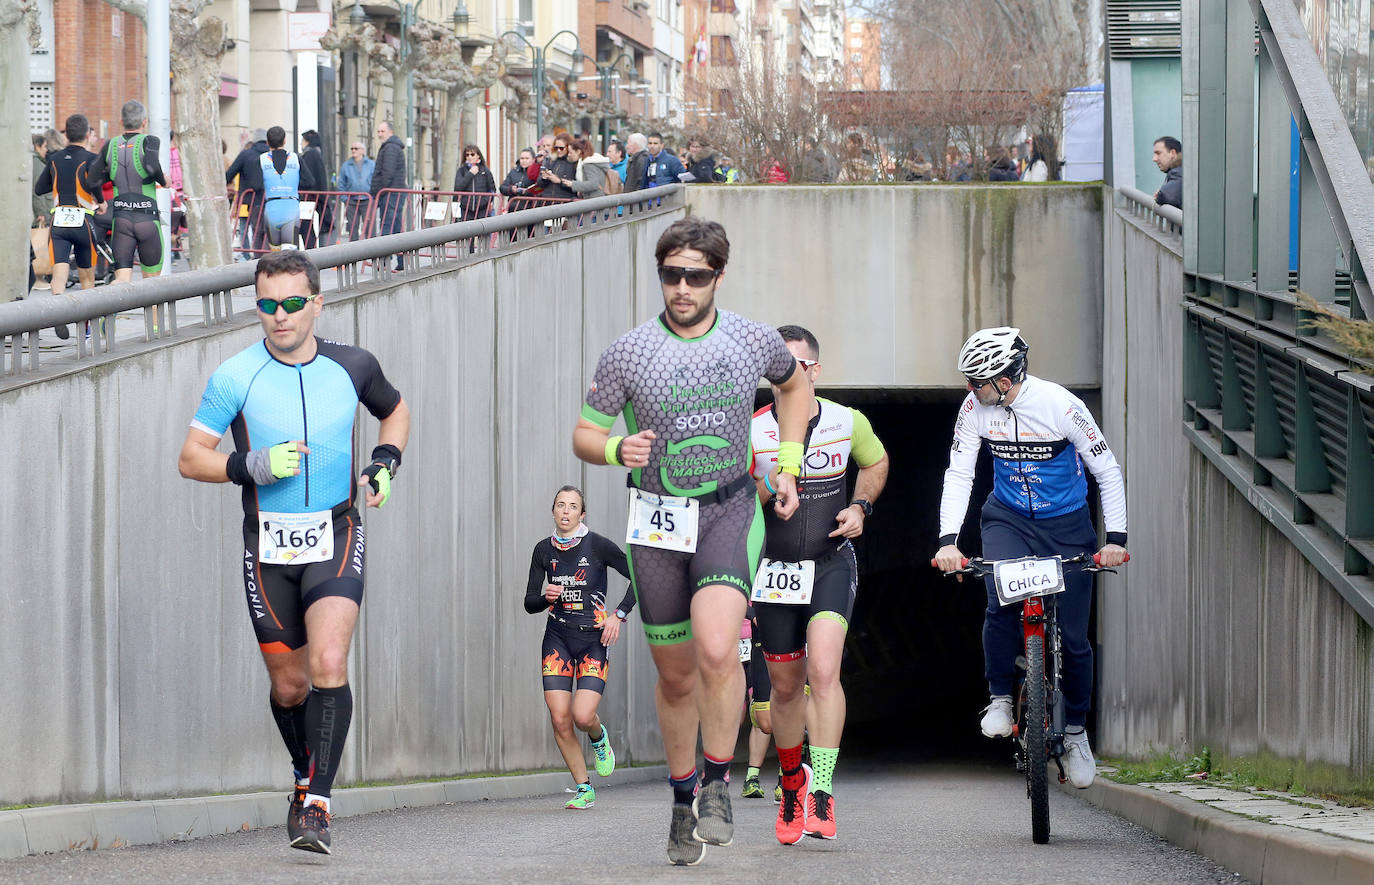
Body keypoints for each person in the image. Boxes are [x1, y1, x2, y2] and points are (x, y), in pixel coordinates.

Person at [572, 216, 811, 866]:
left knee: (714, 649)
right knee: (676, 677)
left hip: (729, 508)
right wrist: (618, 446)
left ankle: (715, 783)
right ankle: (682, 802)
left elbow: (796, 385)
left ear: (718, 276)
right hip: (657, 519)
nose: (682, 287)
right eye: (672, 274)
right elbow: (585, 434)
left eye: (696, 275)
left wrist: (787, 464)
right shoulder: (628, 352)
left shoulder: (750, 338)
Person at [177, 250, 410, 854]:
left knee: (329, 664)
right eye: (267, 305)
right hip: (268, 544)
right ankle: (305, 773)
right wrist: (248, 464)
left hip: (335, 532)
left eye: (292, 303)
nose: (280, 316)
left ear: (317, 302)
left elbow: (395, 411)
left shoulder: (353, 365)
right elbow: (190, 456)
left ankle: (318, 807)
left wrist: (387, 463)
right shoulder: (235, 374)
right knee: (290, 687)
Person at [931, 327, 1128, 790]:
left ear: (1007, 376)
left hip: (1068, 525)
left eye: (978, 381)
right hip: (1008, 519)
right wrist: (947, 541)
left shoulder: (1062, 406)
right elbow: (959, 472)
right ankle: (1000, 697)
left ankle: (1076, 732)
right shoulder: (975, 408)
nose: (970, 390)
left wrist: (1114, 538)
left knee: (1077, 639)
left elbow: (1107, 469)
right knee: (999, 604)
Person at [749, 324, 889, 842]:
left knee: (825, 670)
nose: (791, 378)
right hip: (775, 570)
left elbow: (876, 462)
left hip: (831, 560)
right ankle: (791, 786)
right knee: (785, 689)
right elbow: (736, 505)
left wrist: (860, 505)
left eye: (799, 368)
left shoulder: (847, 420)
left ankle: (823, 791)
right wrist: (770, 483)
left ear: (815, 371)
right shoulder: (756, 429)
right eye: (780, 370)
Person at [525, 485, 637, 809]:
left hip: (594, 639)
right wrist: (543, 596)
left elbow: (640, 577)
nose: (566, 511)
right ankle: (583, 787)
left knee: (582, 714)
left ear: (581, 514)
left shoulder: (598, 545)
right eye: (560, 505)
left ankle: (598, 737)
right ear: (553, 510)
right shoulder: (542, 551)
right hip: (557, 638)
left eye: (573, 506)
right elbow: (529, 601)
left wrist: (618, 614)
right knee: (560, 718)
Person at [34, 114, 105, 337]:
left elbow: (39, 188)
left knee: (59, 274)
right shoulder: (92, 159)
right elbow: (94, 184)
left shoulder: (54, 159)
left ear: (66, 134)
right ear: (86, 134)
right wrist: (101, 203)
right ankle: (85, 330)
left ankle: (58, 311)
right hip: (83, 221)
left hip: (59, 223)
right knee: (87, 278)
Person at [91, 99, 167, 283]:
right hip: (147, 219)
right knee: (152, 282)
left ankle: (113, 311)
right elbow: (150, 167)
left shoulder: (111, 145)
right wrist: (164, 181)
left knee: (122, 280)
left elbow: (92, 180)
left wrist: (101, 200)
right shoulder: (149, 140)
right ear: (144, 122)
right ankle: (154, 314)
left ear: (121, 122)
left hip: (122, 219)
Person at [259, 125, 318, 251]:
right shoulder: (296, 158)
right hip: (291, 207)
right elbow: (310, 181)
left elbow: (255, 184)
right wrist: (292, 184)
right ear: (285, 141)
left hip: (272, 208)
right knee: (290, 253)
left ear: (267, 142)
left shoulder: (262, 159)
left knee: (275, 251)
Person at [225, 128, 270, 253]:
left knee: (257, 231)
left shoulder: (246, 154)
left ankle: (258, 260)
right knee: (270, 232)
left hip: (252, 199)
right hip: (275, 199)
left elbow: (229, 174)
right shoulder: (273, 154)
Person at [371, 121, 408, 263]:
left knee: (388, 225)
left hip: (390, 193)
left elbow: (387, 172)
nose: (380, 134)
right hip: (393, 192)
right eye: (378, 131)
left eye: (382, 131)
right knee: (396, 226)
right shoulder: (391, 147)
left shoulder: (390, 148)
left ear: (390, 132)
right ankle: (400, 261)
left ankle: (385, 260)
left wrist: (379, 191)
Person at [298, 130, 332, 247]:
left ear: (307, 141)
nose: (301, 143)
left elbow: (308, 177)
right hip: (314, 195)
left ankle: (311, 253)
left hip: (309, 196)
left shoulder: (310, 154)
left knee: (306, 228)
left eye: (302, 140)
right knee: (307, 227)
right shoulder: (316, 153)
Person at [337, 141, 374, 241]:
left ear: (362, 151)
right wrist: (345, 199)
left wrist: (373, 198)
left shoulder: (371, 164)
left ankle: (373, 252)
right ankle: (355, 255)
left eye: (356, 148)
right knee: (353, 228)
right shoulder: (346, 165)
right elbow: (341, 183)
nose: (353, 150)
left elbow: (375, 181)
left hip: (367, 200)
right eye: (352, 148)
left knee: (370, 228)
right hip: (352, 200)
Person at [452, 144, 497, 220]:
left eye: (472, 154)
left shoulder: (485, 171)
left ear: (478, 156)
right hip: (466, 209)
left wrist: (484, 202)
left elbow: (492, 189)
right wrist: (470, 174)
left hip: (482, 209)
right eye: (467, 155)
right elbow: (458, 187)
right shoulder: (461, 171)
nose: (470, 157)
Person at [499, 147, 543, 212]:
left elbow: (540, 188)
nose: (524, 161)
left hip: (530, 208)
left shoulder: (537, 172)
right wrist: (511, 189)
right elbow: (502, 187)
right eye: (522, 158)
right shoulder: (514, 171)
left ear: (533, 160)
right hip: (513, 208)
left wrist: (528, 191)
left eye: (527, 158)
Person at [538, 133, 578, 201]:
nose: (558, 150)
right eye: (556, 148)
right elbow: (539, 183)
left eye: (561, 148)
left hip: (565, 203)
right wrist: (544, 178)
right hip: (547, 201)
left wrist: (559, 181)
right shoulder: (550, 160)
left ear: (568, 147)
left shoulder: (574, 163)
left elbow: (578, 187)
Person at [1152, 135, 1183, 210]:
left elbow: (1168, 195)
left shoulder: (1178, 172)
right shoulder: (1184, 169)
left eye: (1158, 153)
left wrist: (1159, 194)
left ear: (1172, 153)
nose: (1154, 159)